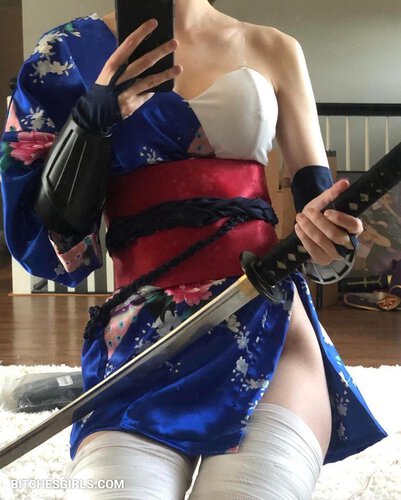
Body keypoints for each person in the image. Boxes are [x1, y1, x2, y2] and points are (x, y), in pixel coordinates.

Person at [0, 1, 387, 498]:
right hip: (141, 339)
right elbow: (42, 234)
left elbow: (329, 244)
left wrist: (328, 238)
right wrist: (88, 126)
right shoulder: (63, 54)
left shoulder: (275, 48)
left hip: (268, 324)